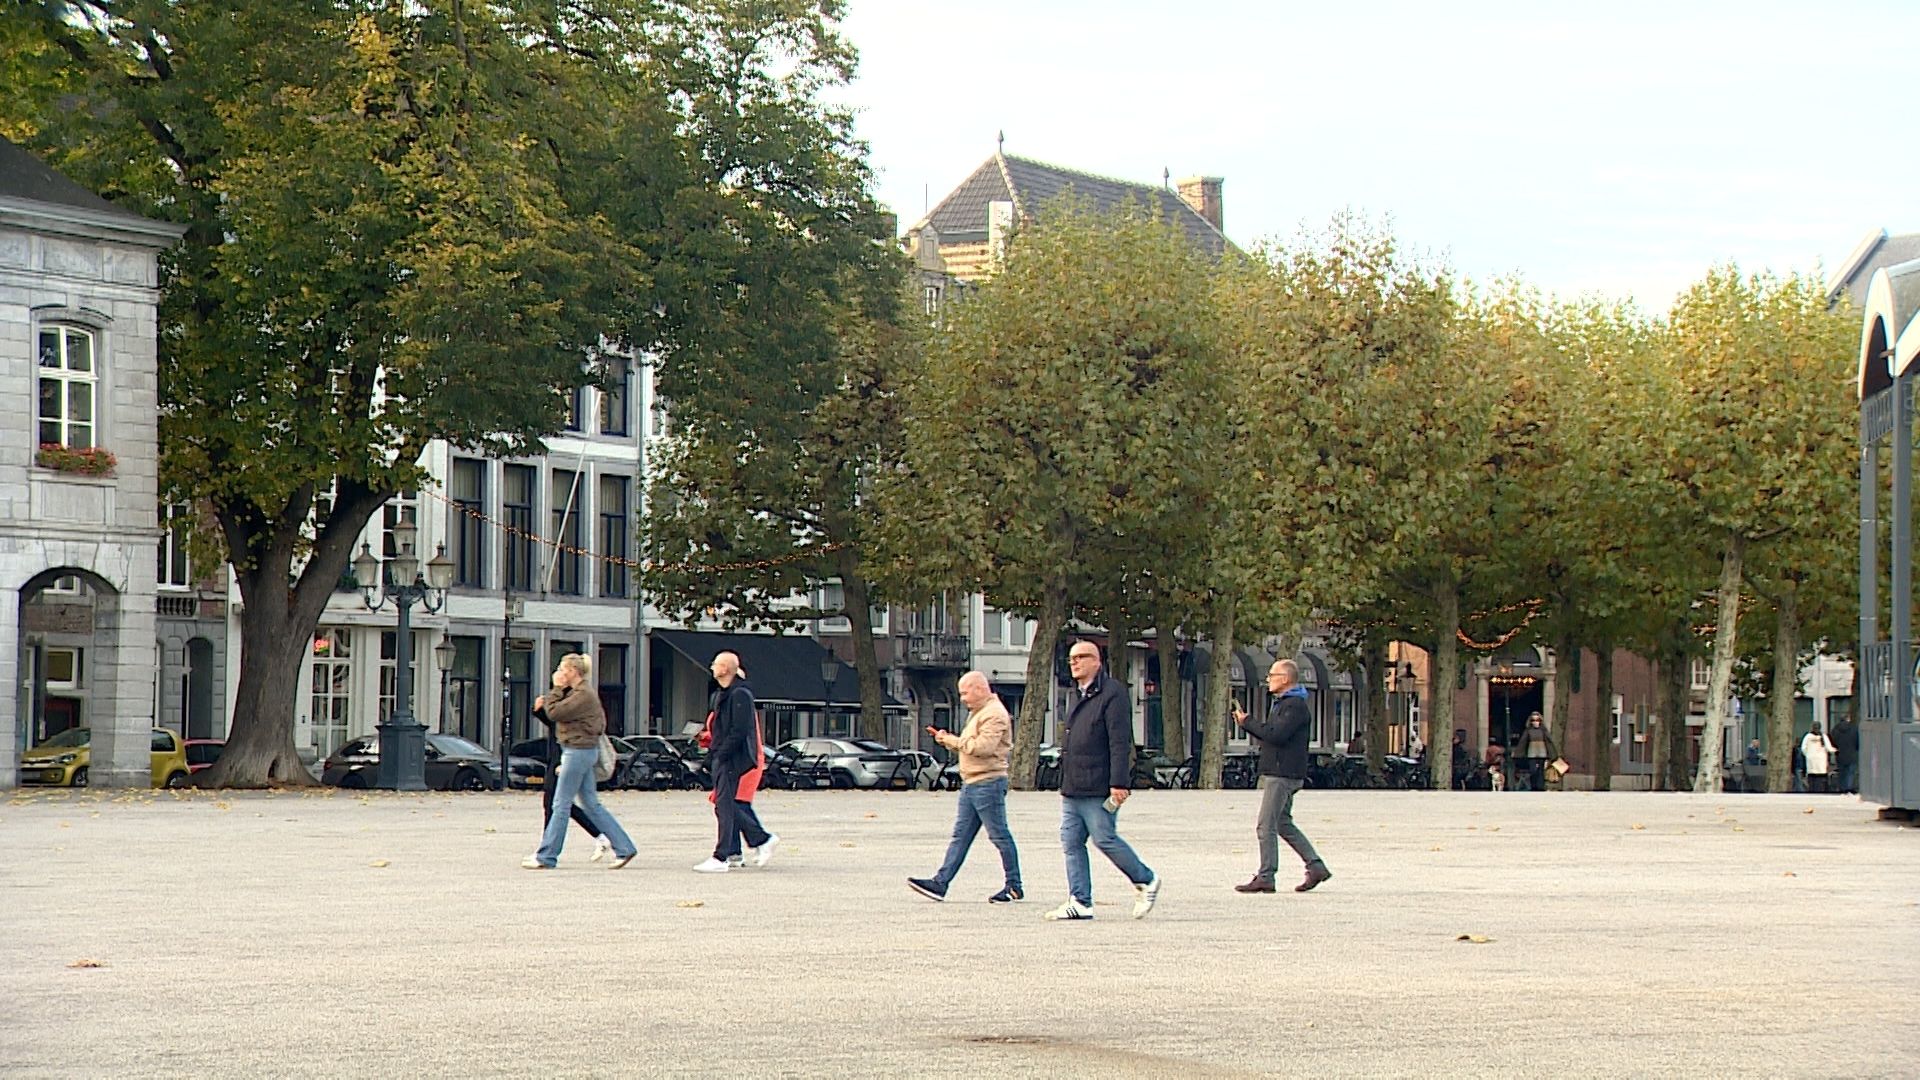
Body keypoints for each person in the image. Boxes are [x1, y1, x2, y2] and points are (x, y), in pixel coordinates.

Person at [1044, 640, 1159, 921]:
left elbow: (1120, 741)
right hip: (1073, 785)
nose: (1074, 662)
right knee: (1071, 841)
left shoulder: (1112, 693)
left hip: (1098, 784)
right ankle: (1080, 900)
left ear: (1097, 661)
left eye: (1081, 657)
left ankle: (1146, 879)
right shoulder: (1077, 694)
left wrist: (1119, 782)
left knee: (1104, 838)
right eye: (1072, 658)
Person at [907, 671, 1022, 903]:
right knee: (960, 837)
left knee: (999, 835)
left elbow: (983, 747)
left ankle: (1014, 885)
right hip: (972, 782)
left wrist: (951, 740)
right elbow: (970, 746)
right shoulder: (979, 712)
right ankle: (940, 883)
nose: (962, 699)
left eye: (965, 693)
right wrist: (947, 740)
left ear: (980, 689)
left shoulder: (994, 714)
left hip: (988, 782)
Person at [523, 654, 637, 870]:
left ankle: (547, 856)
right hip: (580, 751)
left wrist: (556, 689)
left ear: (572, 671)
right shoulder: (580, 693)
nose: (558, 673)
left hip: (577, 751)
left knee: (561, 804)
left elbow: (555, 712)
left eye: (562, 669)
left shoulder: (583, 695)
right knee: (591, 804)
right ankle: (624, 847)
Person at [1232, 659, 1331, 894]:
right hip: (1282, 771)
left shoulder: (1294, 706)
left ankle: (1266, 875)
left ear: (1285, 679)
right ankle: (1315, 866)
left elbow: (1276, 735)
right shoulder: (1284, 704)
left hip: (1283, 772)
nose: (1268, 679)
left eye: (1272, 675)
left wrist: (1248, 723)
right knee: (1282, 823)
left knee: (1265, 825)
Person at [693, 651, 778, 873]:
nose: (712, 667)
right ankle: (743, 847)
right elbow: (721, 731)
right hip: (724, 756)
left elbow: (740, 731)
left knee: (728, 804)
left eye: (715, 664)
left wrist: (720, 754)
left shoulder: (740, 695)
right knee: (725, 804)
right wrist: (710, 751)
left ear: (725, 669)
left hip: (736, 759)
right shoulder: (721, 695)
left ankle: (728, 854)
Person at [535, 691, 607, 862]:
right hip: (558, 759)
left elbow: (560, 726)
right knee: (558, 804)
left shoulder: (572, 707)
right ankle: (600, 835)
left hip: (563, 760)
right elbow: (552, 722)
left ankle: (547, 849)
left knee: (558, 804)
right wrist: (538, 710)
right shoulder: (564, 708)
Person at [1518, 712, 1555, 792]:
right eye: (1533, 720)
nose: (1535, 722)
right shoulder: (1528, 731)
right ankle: (1533, 786)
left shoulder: (1543, 730)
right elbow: (1523, 742)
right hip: (1532, 752)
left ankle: (1541, 787)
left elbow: (1549, 742)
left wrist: (1552, 754)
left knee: (1541, 771)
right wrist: (1518, 753)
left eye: (1537, 720)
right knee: (1533, 770)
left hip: (1542, 752)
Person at [1800, 723, 1836, 794]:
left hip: (1811, 760)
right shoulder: (1823, 736)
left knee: (1812, 777)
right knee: (1820, 778)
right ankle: (1819, 791)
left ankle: (1812, 791)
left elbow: (1803, 748)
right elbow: (1829, 748)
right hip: (1821, 760)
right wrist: (1836, 750)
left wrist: (1808, 755)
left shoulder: (1808, 737)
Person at [1830, 715, 1859, 794]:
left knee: (1842, 772)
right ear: (1848, 719)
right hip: (1852, 753)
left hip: (1840, 754)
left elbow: (1832, 741)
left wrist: (1836, 748)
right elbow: (1857, 741)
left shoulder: (1835, 729)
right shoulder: (1854, 728)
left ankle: (1842, 787)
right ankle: (1848, 787)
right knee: (1850, 772)